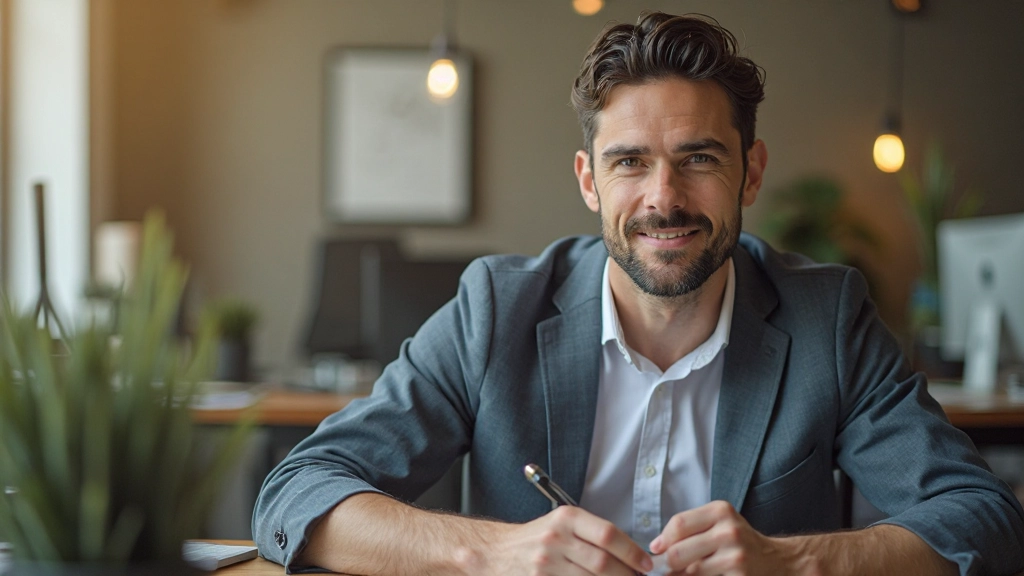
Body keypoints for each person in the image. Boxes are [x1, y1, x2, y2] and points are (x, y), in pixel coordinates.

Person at [254, 12, 1024, 576]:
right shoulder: (496, 309)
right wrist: (492, 551)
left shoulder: (827, 317)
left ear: (750, 172)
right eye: (629, 163)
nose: (664, 197)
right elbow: (296, 493)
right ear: (589, 180)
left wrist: (794, 562)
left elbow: (983, 518)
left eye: (698, 158)